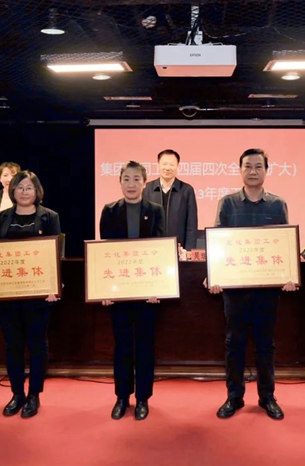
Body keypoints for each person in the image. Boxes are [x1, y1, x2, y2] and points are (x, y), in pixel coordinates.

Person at [209, 148, 298, 420]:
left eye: (258, 166)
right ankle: (234, 397)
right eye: (247, 166)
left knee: (265, 344)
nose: (253, 171)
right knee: (233, 343)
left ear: (266, 171)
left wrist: (289, 273)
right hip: (235, 290)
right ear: (240, 170)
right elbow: (218, 242)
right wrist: (214, 274)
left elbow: (283, 244)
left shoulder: (277, 205)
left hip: (267, 290)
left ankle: (267, 396)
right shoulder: (227, 204)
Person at [0, 170, 61, 419]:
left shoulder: (50, 216)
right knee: (12, 345)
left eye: (29, 187)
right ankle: (17, 394)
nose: (24, 192)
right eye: (20, 187)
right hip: (8, 295)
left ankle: (34, 395)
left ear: (37, 191)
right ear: (12, 190)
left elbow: (56, 253)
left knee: (37, 345)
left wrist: (54, 286)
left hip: (39, 295)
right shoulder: (2, 217)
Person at [100, 161, 165, 421]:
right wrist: (105, 290)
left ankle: (142, 398)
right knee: (122, 346)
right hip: (119, 292)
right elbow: (104, 252)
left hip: (148, 293)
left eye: (136, 179)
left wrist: (157, 287)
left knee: (145, 346)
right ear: (120, 182)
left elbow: (160, 249)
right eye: (126, 179)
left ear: (144, 183)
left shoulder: (156, 210)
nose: (131, 184)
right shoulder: (109, 210)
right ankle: (121, 397)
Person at [143, 149, 198, 251]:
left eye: (172, 164)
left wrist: (189, 250)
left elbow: (191, 224)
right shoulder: (147, 189)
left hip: (178, 249)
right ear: (158, 165)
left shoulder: (186, 190)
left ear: (177, 166)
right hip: (152, 249)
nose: (168, 168)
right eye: (164, 164)